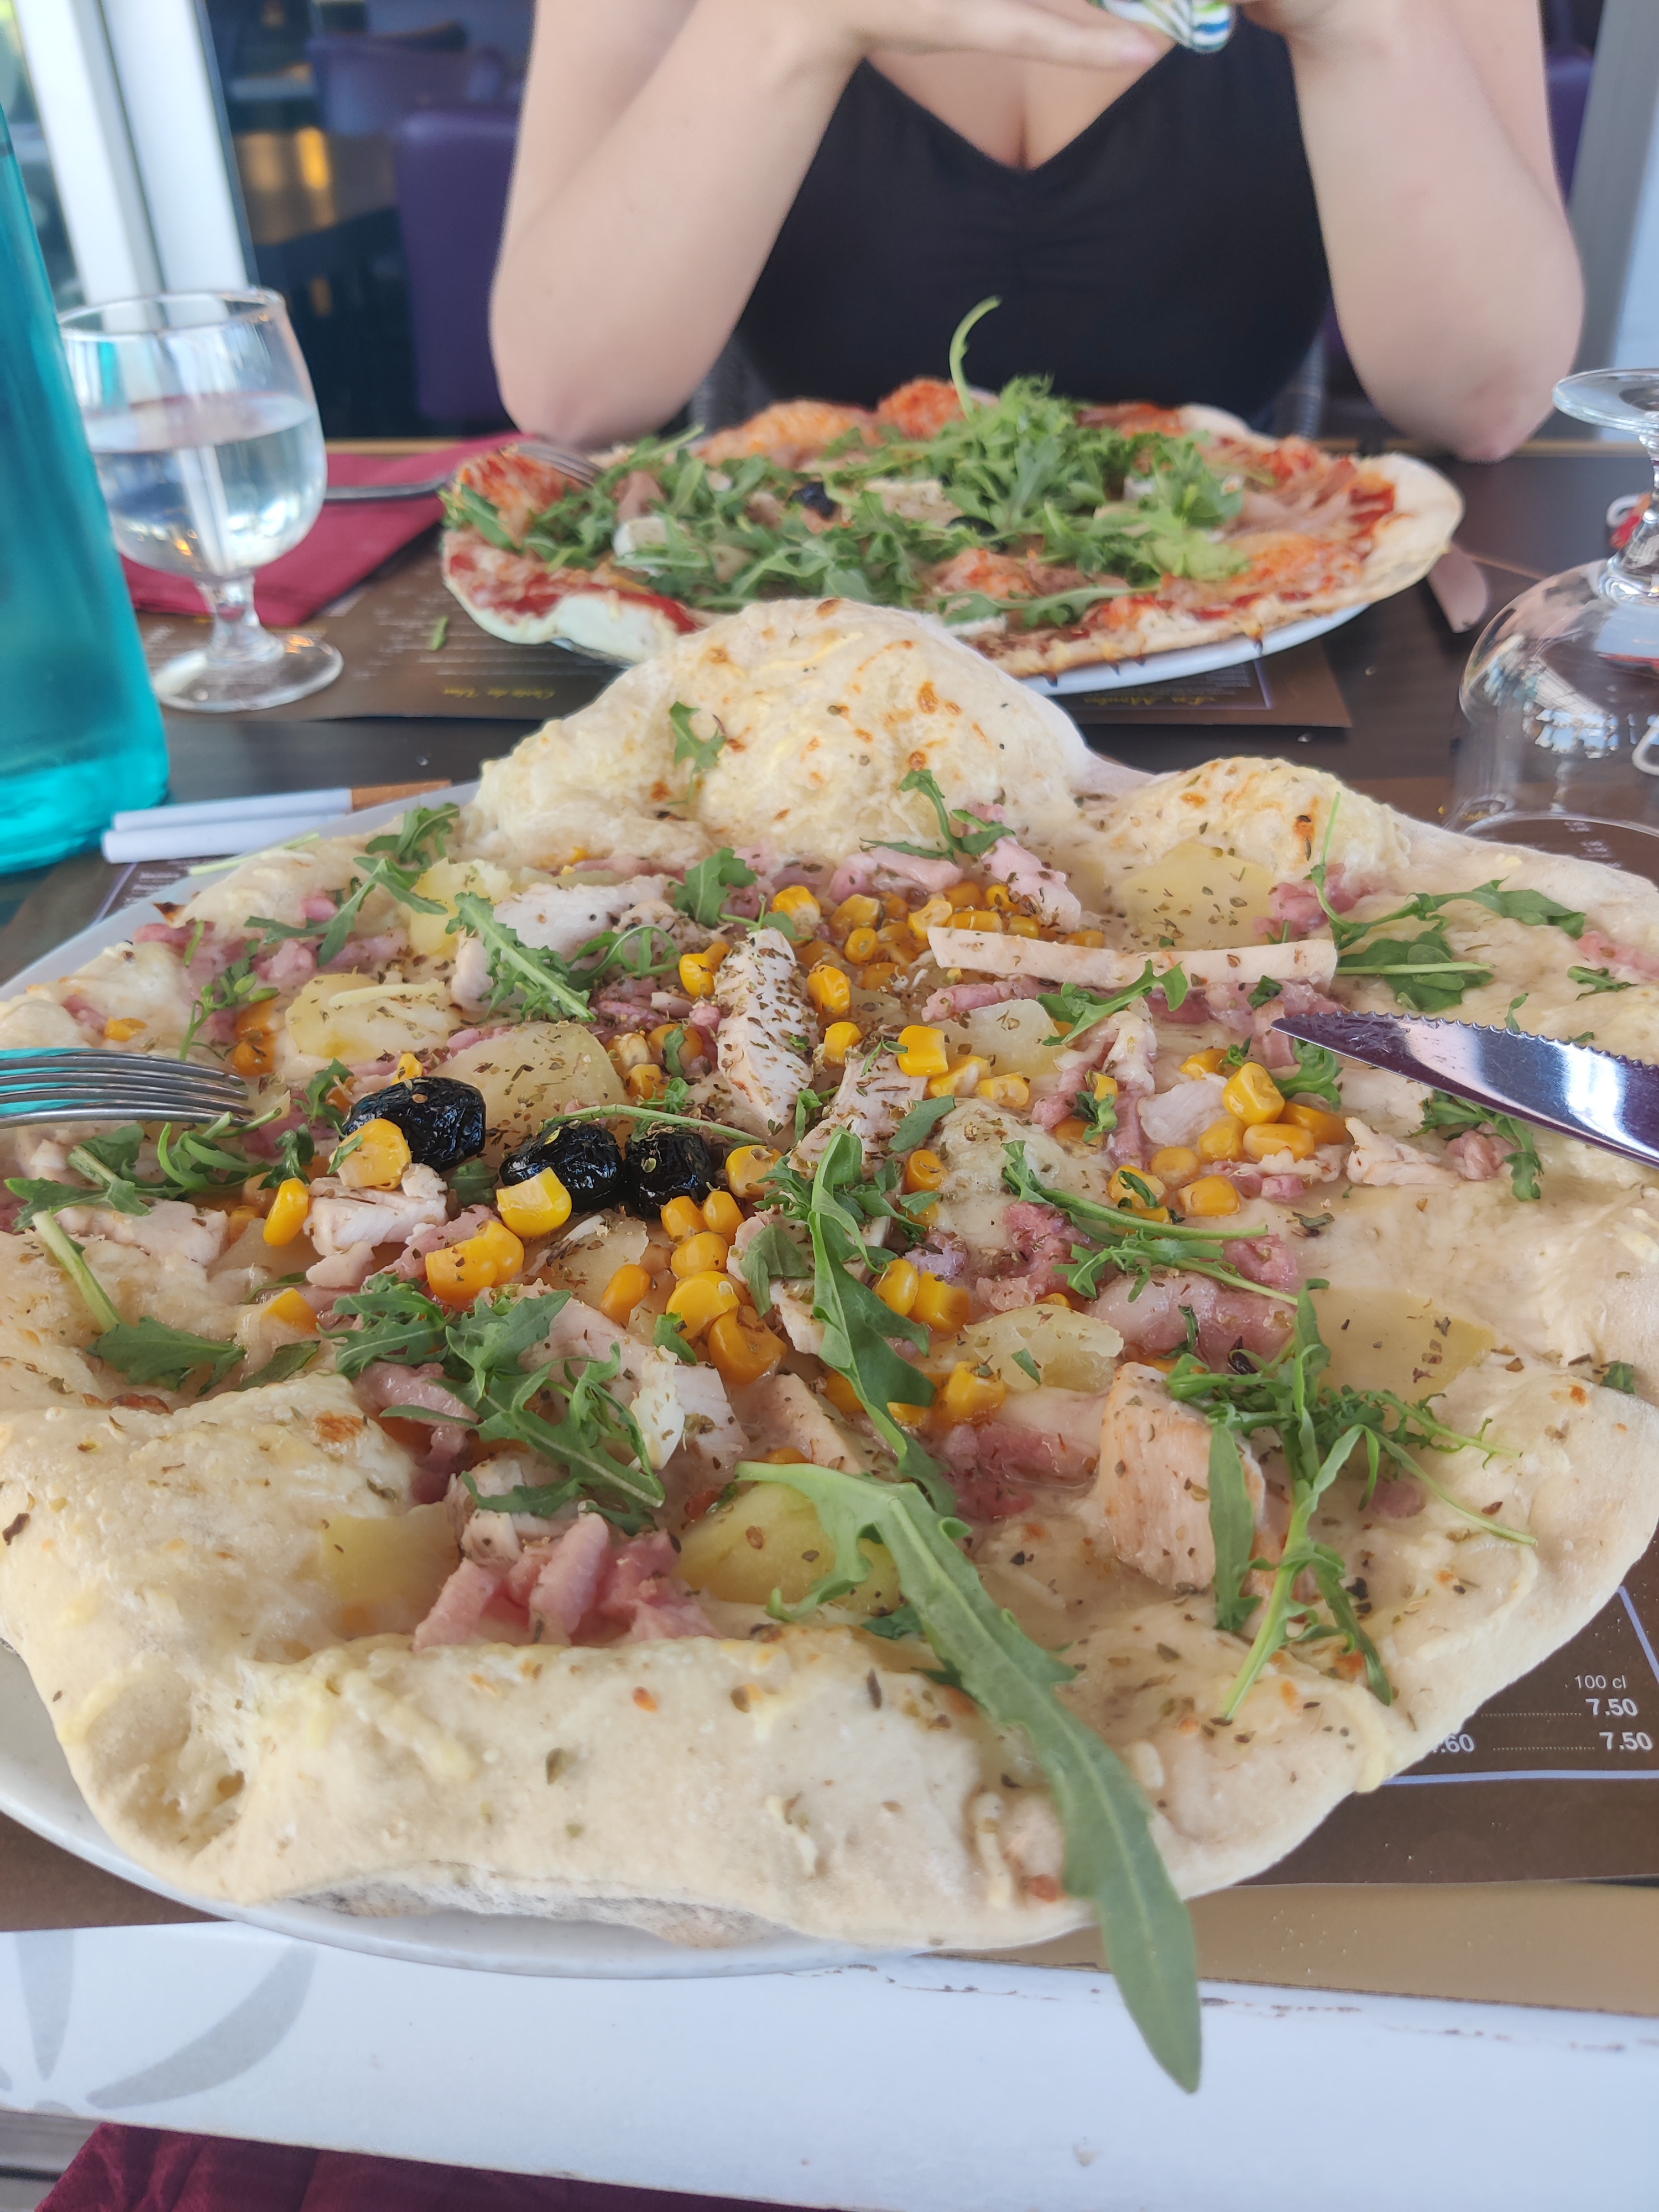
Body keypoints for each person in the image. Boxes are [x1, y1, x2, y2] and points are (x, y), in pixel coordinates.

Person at [490, 0, 1583, 461]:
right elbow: (571, 393)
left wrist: (1363, 24)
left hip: (1253, 629)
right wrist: (792, 23)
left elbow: (1485, 401)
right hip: (785, 649)